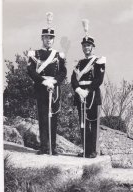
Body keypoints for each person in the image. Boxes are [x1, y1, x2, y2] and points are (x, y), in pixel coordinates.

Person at [27, 12, 67, 155]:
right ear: (42, 38)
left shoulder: (58, 55)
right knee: (43, 117)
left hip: (54, 89)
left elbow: (63, 72)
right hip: (41, 88)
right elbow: (31, 71)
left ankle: (53, 148)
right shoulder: (35, 54)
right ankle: (44, 147)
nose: (48, 40)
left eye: (51, 38)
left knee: (54, 117)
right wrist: (44, 81)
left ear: (53, 39)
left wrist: (54, 81)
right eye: (46, 37)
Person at [71, 19, 106, 158]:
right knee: (82, 123)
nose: (86, 48)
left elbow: (99, 79)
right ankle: (85, 150)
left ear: (92, 47)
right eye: (84, 46)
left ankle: (93, 151)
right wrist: (78, 90)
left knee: (93, 123)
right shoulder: (79, 63)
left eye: (88, 45)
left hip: (92, 95)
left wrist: (87, 90)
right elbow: (73, 78)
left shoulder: (98, 61)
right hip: (80, 95)